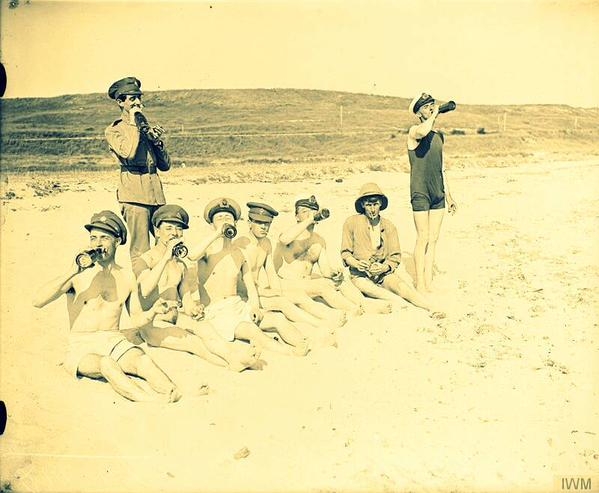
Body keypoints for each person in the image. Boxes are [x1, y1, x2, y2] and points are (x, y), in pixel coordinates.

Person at [32, 210, 181, 403]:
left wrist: (153, 312)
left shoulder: (126, 276)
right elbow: (38, 301)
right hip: (82, 345)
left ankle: (172, 392)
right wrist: (71, 271)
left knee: (143, 360)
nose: (97, 244)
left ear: (117, 241)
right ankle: (147, 400)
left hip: (114, 340)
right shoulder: (78, 275)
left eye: (104, 238)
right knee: (107, 364)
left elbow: (136, 319)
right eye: (93, 238)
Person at [134, 204, 261, 371]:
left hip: (176, 318)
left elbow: (187, 301)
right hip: (153, 324)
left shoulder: (180, 265)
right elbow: (144, 290)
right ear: (157, 232)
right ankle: (231, 362)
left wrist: (194, 309)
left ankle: (234, 356)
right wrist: (165, 258)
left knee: (205, 328)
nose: (174, 233)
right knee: (193, 342)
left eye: (179, 229)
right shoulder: (145, 260)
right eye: (169, 228)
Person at [186, 198, 294, 355]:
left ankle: (304, 345)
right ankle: (288, 353)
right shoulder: (208, 251)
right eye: (219, 218)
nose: (225, 221)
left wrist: (254, 307)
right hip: (216, 310)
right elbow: (191, 256)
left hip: (237, 305)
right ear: (211, 225)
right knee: (251, 330)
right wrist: (217, 234)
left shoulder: (238, 253)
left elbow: (250, 287)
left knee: (278, 319)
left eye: (228, 218)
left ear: (235, 223)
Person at [235, 202, 334, 353]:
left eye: (267, 223)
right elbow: (240, 281)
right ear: (249, 223)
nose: (264, 227)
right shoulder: (241, 245)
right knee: (283, 304)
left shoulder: (266, 243)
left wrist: (277, 291)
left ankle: (321, 323)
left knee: (294, 296)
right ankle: (317, 325)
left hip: (257, 291)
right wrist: (266, 293)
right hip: (244, 295)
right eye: (259, 223)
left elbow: (271, 272)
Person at [274, 195, 392, 316]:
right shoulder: (289, 235)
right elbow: (284, 239)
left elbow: (325, 271)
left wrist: (334, 273)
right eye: (304, 212)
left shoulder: (319, 241)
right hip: (287, 284)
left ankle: (363, 303)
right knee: (322, 286)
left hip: (307, 284)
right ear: (296, 217)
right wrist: (309, 219)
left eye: (313, 211)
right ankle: (354, 309)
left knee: (342, 280)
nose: (309, 214)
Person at [341, 183, 442, 315]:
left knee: (402, 287)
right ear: (362, 205)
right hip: (360, 275)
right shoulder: (351, 223)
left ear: (381, 204)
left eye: (375, 204)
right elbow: (346, 254)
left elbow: (394, 257)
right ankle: (402, 305)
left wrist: (384, 268)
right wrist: (357, 264)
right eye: (368, 205)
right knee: (369, 288)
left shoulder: (389, 226)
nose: (372, 209)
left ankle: (429, 307)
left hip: (383, 274)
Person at [105, 76, 170, 268]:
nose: (137, 102)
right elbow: (129, 154)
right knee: (141, 250)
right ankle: (142, 285)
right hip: (134, 197)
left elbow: (165, 166)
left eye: (139, 98)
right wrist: (136, 125)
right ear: (120, 102)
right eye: (132, 99)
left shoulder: (145, 127)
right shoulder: (114, 130)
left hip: (156, 195)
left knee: (166, 243)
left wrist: (156, 142)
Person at [407, 92, 457, 293]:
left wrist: (449, 196)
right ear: (418, 112)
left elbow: (442, 168)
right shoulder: (414, 132)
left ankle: (428, 281)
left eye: (432, 105)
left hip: (438, 192)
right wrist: (435, 115)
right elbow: (423, 131)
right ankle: (419, 282)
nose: (430, 108)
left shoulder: (439, 136)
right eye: (426, 106)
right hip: (420, 191)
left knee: (434, 239)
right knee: (423, 237)